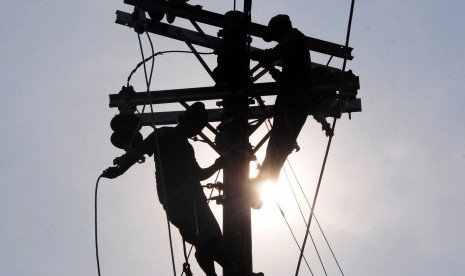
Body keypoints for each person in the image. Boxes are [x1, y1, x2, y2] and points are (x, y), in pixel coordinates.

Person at [102, 102, 233, 276]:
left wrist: (217, 165)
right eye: (197, 126)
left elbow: (198, 174)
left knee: (200, 242)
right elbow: (138, 151)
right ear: (188, 120)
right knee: (210, 236)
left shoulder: (180, 143)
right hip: (189, 198)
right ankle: (236, 271)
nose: (196, 131)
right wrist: (120, 169)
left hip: (172, 205)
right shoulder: (165, 134)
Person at [250, 14, 331, 183]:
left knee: (280, 140)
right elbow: (286, 78)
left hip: (294, 98)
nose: (276, 40)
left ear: (282, 27)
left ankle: (264, 180)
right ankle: (265, 181)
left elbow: (277, 53)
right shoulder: (293, 51)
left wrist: (258, 55)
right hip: (294, 97)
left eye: (275, 36)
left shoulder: (295, 36)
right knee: (279, 143)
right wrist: (272, 69)